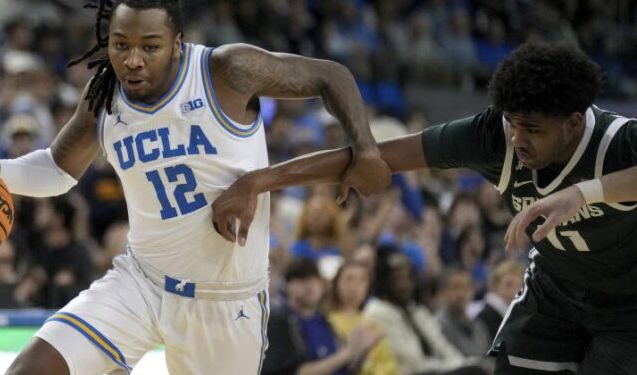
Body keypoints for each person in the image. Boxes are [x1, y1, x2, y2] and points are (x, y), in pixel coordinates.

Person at [0, 1, 389, 373]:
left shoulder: (225, 71)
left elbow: (333, 76)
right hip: (141, 283)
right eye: (120, 44)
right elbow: (57, 169)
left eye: (150, 46)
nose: (132, 59)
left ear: (178, 44)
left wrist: (365, 147)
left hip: (225, 301)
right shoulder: (104, 97)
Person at [211, 41, 637, 374]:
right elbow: (372, 156)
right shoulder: (493, 135)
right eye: (512, 123)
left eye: (532, 129)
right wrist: (258, 181)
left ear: (573, 124)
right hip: (556, 291)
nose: (517, 139)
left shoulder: (620, 142)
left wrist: (583, 193)